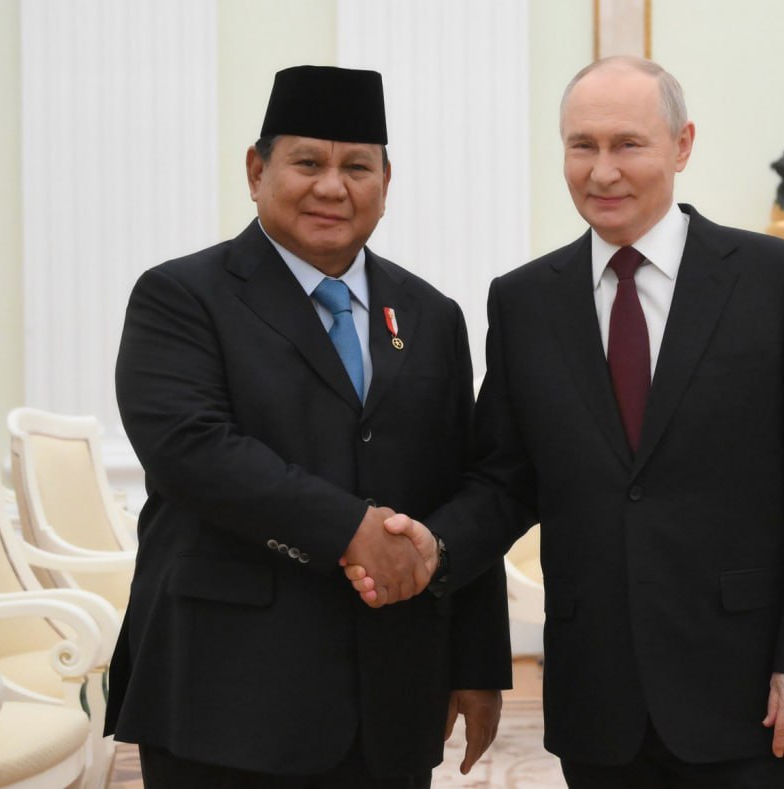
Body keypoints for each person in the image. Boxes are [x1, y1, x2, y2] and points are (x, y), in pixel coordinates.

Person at [347, 56, 784, 788]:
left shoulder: (777, 280)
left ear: (682, 145)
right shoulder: (524, 301)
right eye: (581, 145)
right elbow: (505, 479)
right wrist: (436, 545)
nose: (602, 170)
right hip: (597, 691)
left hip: (745, 686)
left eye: (628, 144)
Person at [105, 65, 510, 788]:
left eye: (356, 167)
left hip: (390, 698)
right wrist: (350, 530)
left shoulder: (431, 315)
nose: (332, 186)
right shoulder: (182, 296)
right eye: (307, 163)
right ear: (256, 171)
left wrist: (477, 664)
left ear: (386, 181)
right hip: (225, 693)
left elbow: (466, 483)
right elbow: (191, 450)